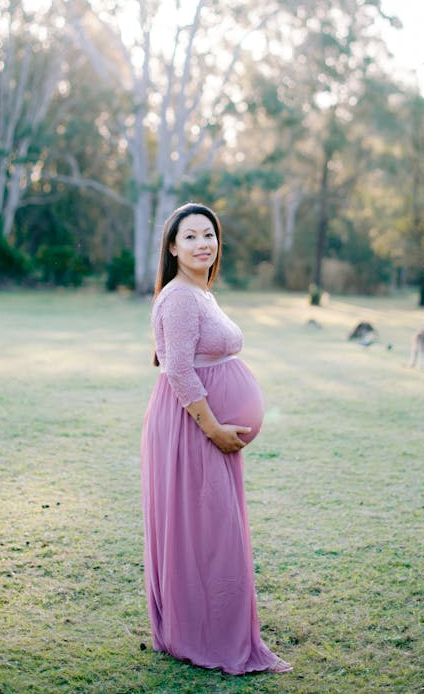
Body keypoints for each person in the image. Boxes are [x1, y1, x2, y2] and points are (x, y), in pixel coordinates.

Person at [140, 202, 291, 675]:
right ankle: (202, 635)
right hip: (194, 430)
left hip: (207, 430)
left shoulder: (200, 291)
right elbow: (178, 370)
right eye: (190, 236)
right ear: (172, 246)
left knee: (210, 532)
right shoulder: (181, 297)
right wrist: (213, 428)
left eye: (209, 234)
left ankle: (203, 627)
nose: (203, 243)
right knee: (206, 534)